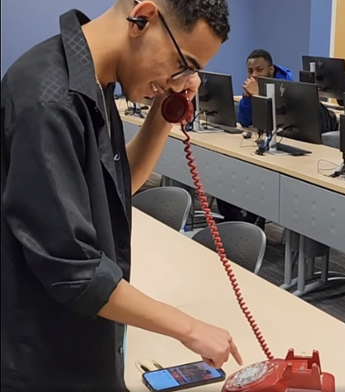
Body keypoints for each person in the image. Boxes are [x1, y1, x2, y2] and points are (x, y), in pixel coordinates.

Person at [1, 1, 243, 391]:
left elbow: (118, 183)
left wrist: (165, 110)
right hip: (45, 359)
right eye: (183, 64)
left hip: (84, 339)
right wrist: (190, 328)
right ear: (143, 19)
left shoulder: (92, 79)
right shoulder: (48, 98)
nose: (180, 81)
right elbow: (75, 273)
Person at [237, 49, 339, 134]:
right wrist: (247, 98)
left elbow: (280, 121)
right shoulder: (254, 87)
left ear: (271, 70)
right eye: (250, 71)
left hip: (322, 126)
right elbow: (244, 122)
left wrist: (258, 96)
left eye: (259, 70)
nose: (253, 75)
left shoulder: (286, 87)